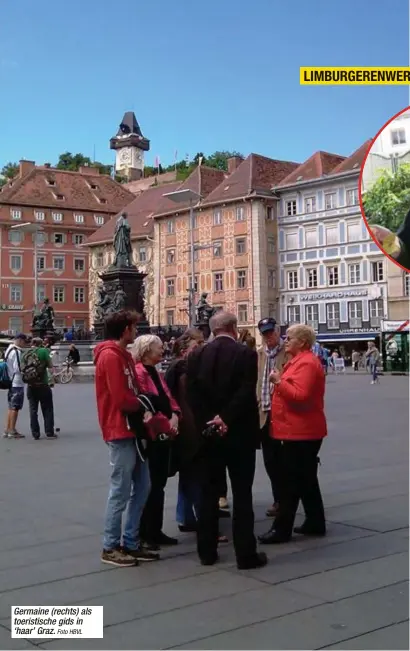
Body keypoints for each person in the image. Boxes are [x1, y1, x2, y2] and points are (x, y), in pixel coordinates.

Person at [187, 311, 267, 570]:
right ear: (233, 328)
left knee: (208, 493)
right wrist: (226, 418)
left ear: (212, 330)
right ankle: (245, 554)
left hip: (208, 436)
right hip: (239, 434)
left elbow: (191, 394)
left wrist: (210, 421)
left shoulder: (197, 355)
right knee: (242, 494)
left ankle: (206, 552)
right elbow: (247, 391)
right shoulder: (246, 354)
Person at [94, 311, 159, 567]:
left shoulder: (125, 356)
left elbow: (135, 389)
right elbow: (121, 398)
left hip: (134, 430)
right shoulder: (110, 356)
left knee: (143, 486)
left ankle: (131, 541)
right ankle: (110, 545)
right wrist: (145, 406)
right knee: (120, 489)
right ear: (125, 330)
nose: (136, 331)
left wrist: (143, 402)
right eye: (134, 327)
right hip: (120, 428)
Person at [258, 325, 327, 544]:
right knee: (306, 479)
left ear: (303, 343)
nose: (285, 341)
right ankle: (315, 521)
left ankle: (281, 529)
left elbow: (301, 396)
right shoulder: (300, 360)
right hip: (298, 429)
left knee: (289, 482)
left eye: (290, 338)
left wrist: (278, 381)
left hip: (300, 431)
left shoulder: (306, 363)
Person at [133, 335, 181, 549]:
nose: (163, 350)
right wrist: (167, 424)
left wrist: (176, 415)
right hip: (151, 435)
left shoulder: (157, 372)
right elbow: (146, 408)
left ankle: (156, 529)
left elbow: (168, 398)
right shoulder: (139, 372)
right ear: (146, 350)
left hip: (164, 433)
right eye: (159, 348)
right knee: (149, 485)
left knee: (159, 484)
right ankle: (144, 532)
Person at [165, 328, 205, 532]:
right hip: (188, 427)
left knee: (188, 474)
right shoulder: (183, 368)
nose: (200, 349)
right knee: (195, 474)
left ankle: (185, 516)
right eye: (197, 346)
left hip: (185, 426)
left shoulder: (179, 367)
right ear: (184, 348)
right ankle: (199, 518)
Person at [256, 317, 288, 517]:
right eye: (265, 333)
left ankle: (285, 500)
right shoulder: (259, 355)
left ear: (278, 331)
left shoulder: (288, 352)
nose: (269, 337)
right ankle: (279, 499)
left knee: (284, 460)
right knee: (270, 461)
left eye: (271, 332)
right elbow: (257, 382)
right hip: (264, 415)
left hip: (283, 414)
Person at [25, 337, 56, 440]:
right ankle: (49, 432)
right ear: (41, 343)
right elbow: (51, 366)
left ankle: (35, 433)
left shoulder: (25, 352)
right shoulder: (44, 351)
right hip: (43, 384)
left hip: (30, 385)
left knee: (33, 410)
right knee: (47, 409)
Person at [3, 333, 27, 439]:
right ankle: (12, 430)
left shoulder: (9, 349)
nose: (25, 344)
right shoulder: (16, 352)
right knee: (15, 407)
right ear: (20, 340)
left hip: (10, 380)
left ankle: (7, 429)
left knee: (11, 406)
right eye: (24, 342)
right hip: (17, 382)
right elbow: (17, 368)